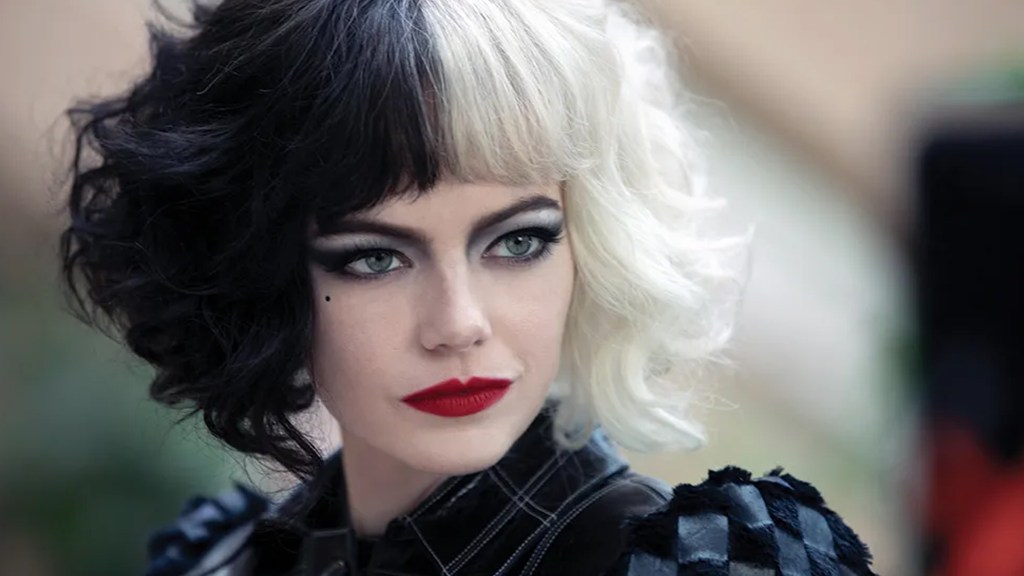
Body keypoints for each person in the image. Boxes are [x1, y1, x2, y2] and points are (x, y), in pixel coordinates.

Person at [59, 0, 877, 574]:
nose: (458, 322)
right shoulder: (224, 560)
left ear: (590, 245)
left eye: (518, 242)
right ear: (260, 272)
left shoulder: (707, 566)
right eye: (374, 258)